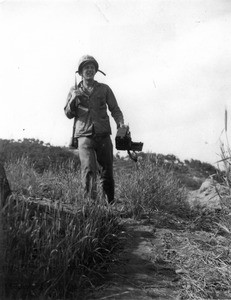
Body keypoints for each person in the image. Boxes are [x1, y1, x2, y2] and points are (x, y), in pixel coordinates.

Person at [64, 55, 125, 203]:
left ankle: (108, 206)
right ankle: (90, 207)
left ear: (96, 70)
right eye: (86, 68)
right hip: (84, 136)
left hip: (103, 135)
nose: (89, 70)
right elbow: (68, 114)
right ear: (80, 72)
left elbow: (115, 109)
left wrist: (120, 124)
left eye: (92, 67)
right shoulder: (74, 90)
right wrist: (73, 100)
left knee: (107, 172)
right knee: (88, 170)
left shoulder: (104, 89)